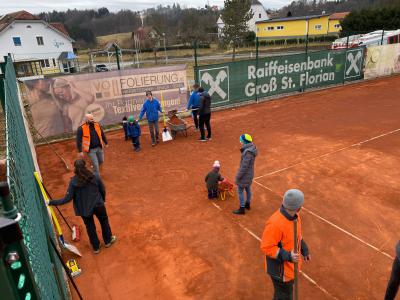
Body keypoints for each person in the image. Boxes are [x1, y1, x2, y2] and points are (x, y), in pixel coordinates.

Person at [48, 159, 116, 254]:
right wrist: (102, 200)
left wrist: (51, 202)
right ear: (85, 166)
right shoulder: (95, 176)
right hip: (98, 205)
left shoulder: (73, 182)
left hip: (85, 209)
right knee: (104, 221)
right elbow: (102, 189)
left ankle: (96, 248)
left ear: (75, 169)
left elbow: (67, 199)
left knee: (90, 227)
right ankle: (108, 241)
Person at [260, 189, 311, 300]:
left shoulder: (295, 217)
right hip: (281, 272)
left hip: (291, 267)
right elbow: (266, 247)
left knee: (282, 295)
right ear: (299, 207)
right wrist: (288, 256)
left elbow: (297, 235)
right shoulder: (275, 224)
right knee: (285, 296)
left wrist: (304, 248)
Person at [233, 134, 258, 215]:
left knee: (240, 191)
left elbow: (244, 167)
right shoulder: (251, 149)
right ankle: (247, 204)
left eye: (241, 140)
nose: (240, 141)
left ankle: (242, 208)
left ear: (244, 141)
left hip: (245, 175)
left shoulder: (248, 152)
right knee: (248, 189)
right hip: (249, 174)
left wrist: (237, 177)